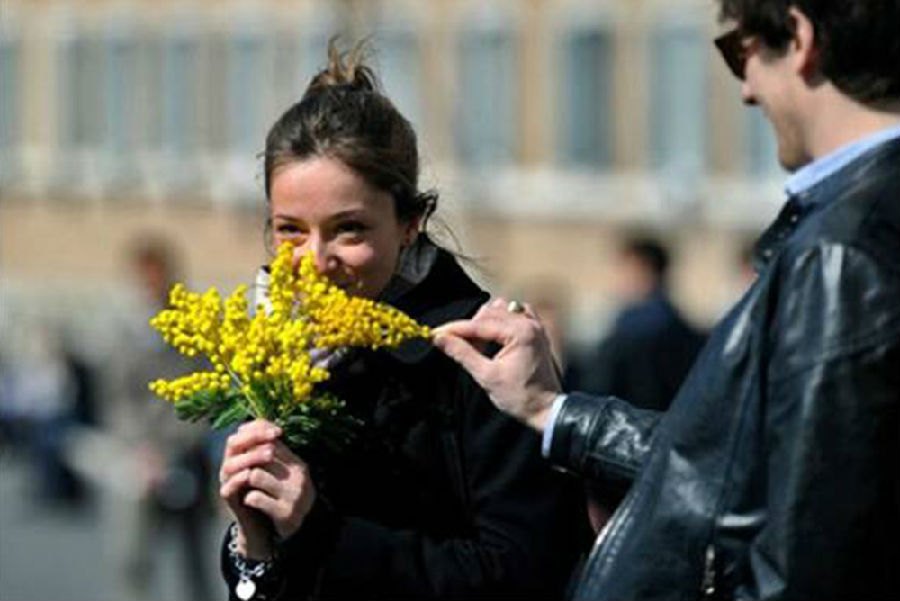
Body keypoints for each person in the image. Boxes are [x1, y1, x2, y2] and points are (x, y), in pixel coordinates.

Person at [434, 1, 900, 598]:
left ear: (802, 38)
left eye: (740, 54)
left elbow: (803, 558)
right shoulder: (849, 227)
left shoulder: (840, 252)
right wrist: (550, 408)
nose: (746, 93)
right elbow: (725, 470)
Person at [217, 43, 590, 600]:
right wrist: (252, 544)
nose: (316, 261)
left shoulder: (484, 354)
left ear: (411, 223)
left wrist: (320, 533)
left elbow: (524, 573)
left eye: (349, 230)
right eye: (290, 229)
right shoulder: (274, 353)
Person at [113, 236, 214, 601]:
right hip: (140, 459)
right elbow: (117, 398)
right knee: (133, 556)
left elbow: (207, 393)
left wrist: (175, 445)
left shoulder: (192, 323)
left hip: (185, 453)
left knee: (194, 558)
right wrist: (140, 448)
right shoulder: (126, 327)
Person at [583, 235, 704, 412]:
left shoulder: (636, 332)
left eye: (626, 270)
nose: (620, 280)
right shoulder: (682, 328)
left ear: (644, 270)